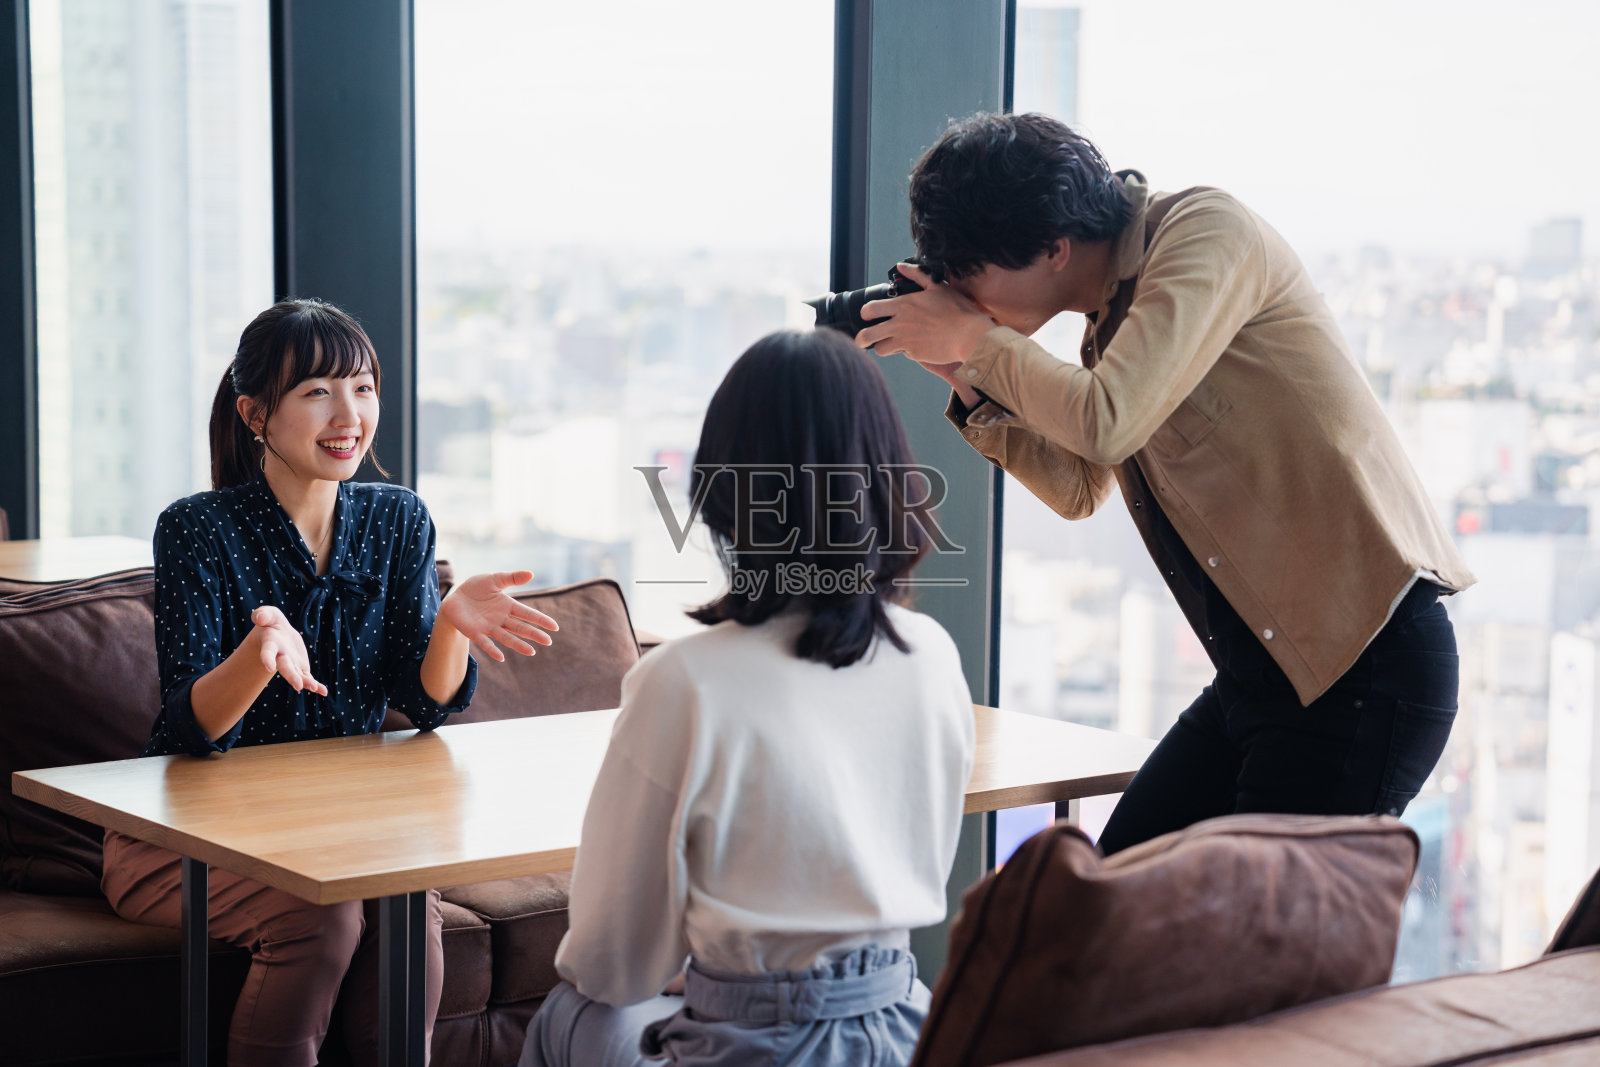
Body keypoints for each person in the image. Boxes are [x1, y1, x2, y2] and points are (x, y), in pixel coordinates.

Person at [854, 111, 1474, 855]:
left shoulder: (1206, 233)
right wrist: (964, 371)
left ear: (1052, 249)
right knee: (1104, 911)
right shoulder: (1104, 322)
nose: (962, 298)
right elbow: (1082, 485)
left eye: (969, 275)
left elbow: (1105, 420)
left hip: (1363, 669)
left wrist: (976, 343)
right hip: (1265, 678)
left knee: (1254, 958)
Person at [100, 298, 558, 1067]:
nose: (348, 413)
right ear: (255, 413)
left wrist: (448, 623)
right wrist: (259, 652)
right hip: (178, 835)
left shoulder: (398, 519)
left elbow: (430, 706)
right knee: (326, 916)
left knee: (411, 910)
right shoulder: (196, 527)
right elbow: (188, 729)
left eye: (362, 386)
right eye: (316, 391)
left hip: (337, 832)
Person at [518, 328, 976, 1067]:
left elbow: (611, 963)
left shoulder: (686, 680)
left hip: (754, 1045)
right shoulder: (931, 654)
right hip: (911, 1030)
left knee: (569, 1013)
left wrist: (711, 965)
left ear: (724, 489)